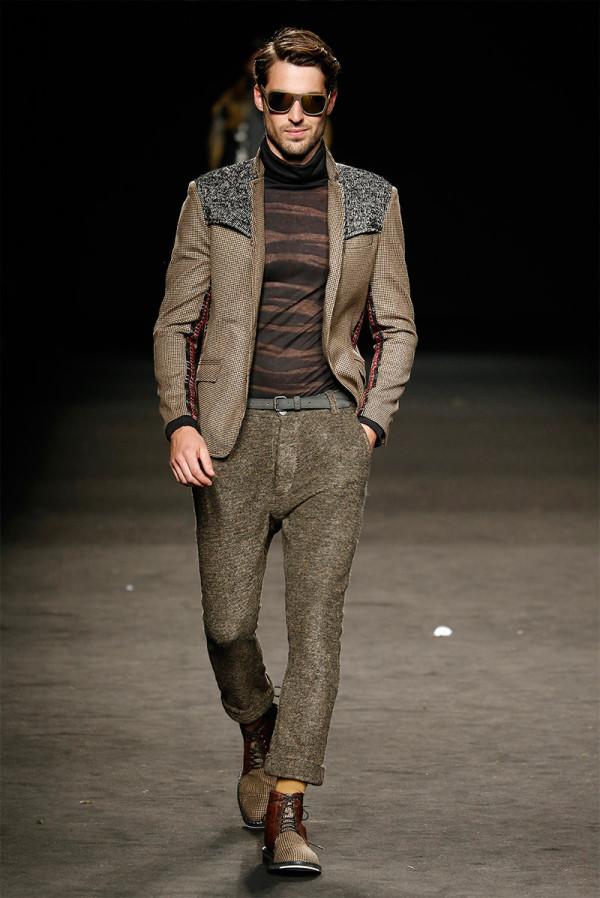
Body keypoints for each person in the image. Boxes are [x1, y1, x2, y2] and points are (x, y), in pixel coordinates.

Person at [153, 27, 417, 876]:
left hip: (330, 439)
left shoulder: (373, 198)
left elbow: (397, 324)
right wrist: (180, 421)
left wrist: (368, 424)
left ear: (329, 103)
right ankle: (258, 727)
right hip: (232, 439)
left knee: (317, 635)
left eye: (311, 102)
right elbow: (175, 323)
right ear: (259, 98)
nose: (295, 115)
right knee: (227, 625)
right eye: (280, 100)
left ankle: (288, 807)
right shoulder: (213, 197)